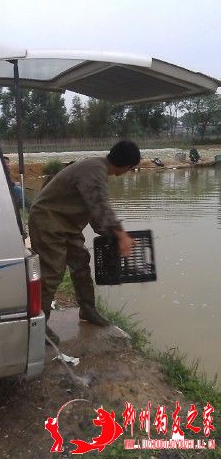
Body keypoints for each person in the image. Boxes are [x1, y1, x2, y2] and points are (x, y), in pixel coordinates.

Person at [28, 140, 141, 344]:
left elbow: (94, 211)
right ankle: (39, 325)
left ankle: (88, 310)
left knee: (81, 264)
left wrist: (110, 233)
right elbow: (100, 204)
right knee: (52, 272)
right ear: (126, 165)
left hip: (67, 223)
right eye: (131, 167)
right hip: (47, 220)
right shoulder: (94, 170)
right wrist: (122, 235)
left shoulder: (98, 170)